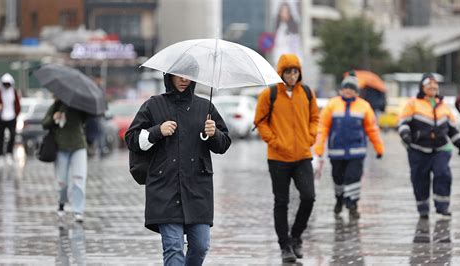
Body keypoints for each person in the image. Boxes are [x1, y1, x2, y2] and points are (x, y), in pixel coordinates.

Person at [125, 73, 231, 265]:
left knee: (200, 246)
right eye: (179, 75)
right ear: (169, 77)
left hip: (198, 189)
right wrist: (157, 131)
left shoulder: (205, 107)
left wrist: (214, 133)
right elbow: (131, 139)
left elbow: (223, 145)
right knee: (174, 247)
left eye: (188, 76)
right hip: (164, 188)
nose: (184, 80)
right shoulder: (153, 105)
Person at [254, 53, 319, 263]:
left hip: (302, 155)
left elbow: (315, 118)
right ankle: (285, 246)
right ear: (280, 73)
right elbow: (260, 122)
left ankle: (297, 236)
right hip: (278, 158)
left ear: (299, 73)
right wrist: (275, 141)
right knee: (281, 202)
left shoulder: (307, 93)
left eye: (295, 71)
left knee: (308, 197)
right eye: (288, 71)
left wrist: (310, 136)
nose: (292, 75)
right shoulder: (269, 94)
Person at [313, 71, 384, 219]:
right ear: (341, 89)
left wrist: (379, 148)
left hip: (357, 151)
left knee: (354, 177)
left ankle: (352, 205)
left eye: (352, 88)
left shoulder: (364, 106)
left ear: (356, 91)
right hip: (336, 152)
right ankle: (339, 200)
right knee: (338, 178)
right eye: (346, 88)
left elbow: (372, 129)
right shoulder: (332, 105)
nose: (348, 91)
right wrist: (319, 147)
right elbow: (323, 127)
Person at [398, 73, 460, 220]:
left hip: (440, 148)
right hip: (418, 149)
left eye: (435, 85)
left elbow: (452, 128)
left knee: (443, 174)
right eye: (429, 85)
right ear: (422, 87)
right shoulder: (413, 103)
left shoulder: (443, 105)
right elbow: (403, 123)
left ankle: (442, 207)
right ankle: (423, 208)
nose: (433, 88)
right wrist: (406, 135)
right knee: (420, 178)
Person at [42, 99, 89, 223]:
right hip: (61, 148)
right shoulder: (56, 105)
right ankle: (61, 204)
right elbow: (44, 123)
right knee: (62, 181)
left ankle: (78, 210)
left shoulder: (80, 105)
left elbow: (86, 119)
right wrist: (54, 118)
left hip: (78, 146)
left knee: (79, 179)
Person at [0, 73, 21, 166]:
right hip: (0, 118)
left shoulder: (14, 92)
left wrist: (16, 114)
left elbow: (17, 105)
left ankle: (9, 153)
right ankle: (0, 155)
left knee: (12, 136)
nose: (6, 86)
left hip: (11, 117)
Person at [272, 1, 304, 65]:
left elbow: (296, 47)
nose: (284, 14)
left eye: (286, 12)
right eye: (282, 11)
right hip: (278, 59)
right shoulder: (277, 28)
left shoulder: (293, 30)